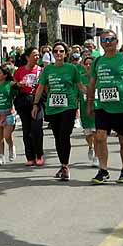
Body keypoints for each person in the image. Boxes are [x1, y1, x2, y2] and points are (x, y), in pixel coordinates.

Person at [87, 30, 123, 185]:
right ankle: (103, 170)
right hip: (103, 106)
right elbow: (91, 84)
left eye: (110, 39)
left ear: (116, 41)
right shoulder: (97, 61)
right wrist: (90, 103)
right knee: (100, 136)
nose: (107, 42)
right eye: (104, 39)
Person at [32, 40, 87, 181]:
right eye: (55, 51)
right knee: (57, 137)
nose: (58, 53)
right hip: (53, 108)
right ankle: (63, 165)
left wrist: (92, 95)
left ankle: (65, 166)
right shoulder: (48, 70)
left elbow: (80, 86)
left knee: (64, 135)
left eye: (61, 51)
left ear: (66, 53)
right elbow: (40, 87)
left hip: (69, 106)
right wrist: (36, 104)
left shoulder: (72, 69)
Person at [12, 47, 44, 166]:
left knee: (37, 129)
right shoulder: (20, 71)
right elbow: (12, 84)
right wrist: (18, 84)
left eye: (38, 55)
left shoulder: (41, 70)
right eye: (34, 55)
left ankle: (39, 155)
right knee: (27, 130)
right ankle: (30, 157)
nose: (37, 57)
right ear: (27, 57)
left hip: (38, 101)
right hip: (24, 102)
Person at [78, 54, 98, 168]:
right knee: (88, 134)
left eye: (91, 64)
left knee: (96, 133)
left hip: (96, 108)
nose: (88, 66)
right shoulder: (80, 78)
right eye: (86, 64)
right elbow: (76, 94)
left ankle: (96, 156)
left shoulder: (99, 77)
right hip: (84, 110)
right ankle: (90, 147)